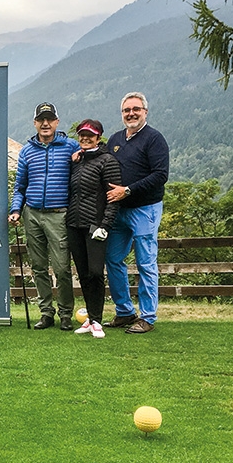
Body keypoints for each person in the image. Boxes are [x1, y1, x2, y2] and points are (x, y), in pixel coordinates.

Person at [8, 102, 79, 331]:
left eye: (49, 119)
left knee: (62, 268)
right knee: (38, 267)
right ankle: (46, 313)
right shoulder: (27, 151)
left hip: (59, 214)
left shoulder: (71, 146)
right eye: (41, 120)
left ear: (57, 122)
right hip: (32, 214)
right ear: (35, 123)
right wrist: (16, 210)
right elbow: (20, 186)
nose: (45, 123)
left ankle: (66, 313)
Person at [104, 92, 169, 334]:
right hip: (119, 211)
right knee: (112, 259)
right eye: (126, 110)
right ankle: (125, 311)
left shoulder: (154, 139)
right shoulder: (115, 139)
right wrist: (80, 155)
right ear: (122, 113)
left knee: (145, 263)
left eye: (136, 109)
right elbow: (102, 162)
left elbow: (160, 175)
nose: (131, 113)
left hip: (145, 209)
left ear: (145, 112)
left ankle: (148, 317)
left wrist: (128, 190)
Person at [67, 119, 122, 339]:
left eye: (90, 135)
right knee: (83, 273)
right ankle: (90, 319)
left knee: (96, 272)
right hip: (74, 224)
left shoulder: (108, 161)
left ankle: (97, 321)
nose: (85, 138)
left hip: (96, 225)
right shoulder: (77, 161)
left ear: (98, 137)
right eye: (82, 134)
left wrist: (105, 225)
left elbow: (113, 198)